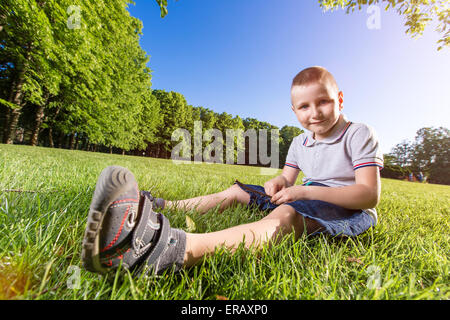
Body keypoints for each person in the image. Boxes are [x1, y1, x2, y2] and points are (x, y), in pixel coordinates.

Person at [81, 66, 384, 276]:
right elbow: (286, 178)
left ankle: (172, 251)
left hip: (349, 211)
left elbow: (368, 196)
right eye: (304, 106)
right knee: (240, 191)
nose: (314, 112)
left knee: (287, 214)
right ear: (294, 111)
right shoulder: (299, 142)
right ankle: (157, 208)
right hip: (306, 197)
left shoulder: (359, 133)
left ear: (340, 99)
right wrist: (276, 183)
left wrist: (301, 192)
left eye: (324, 102)